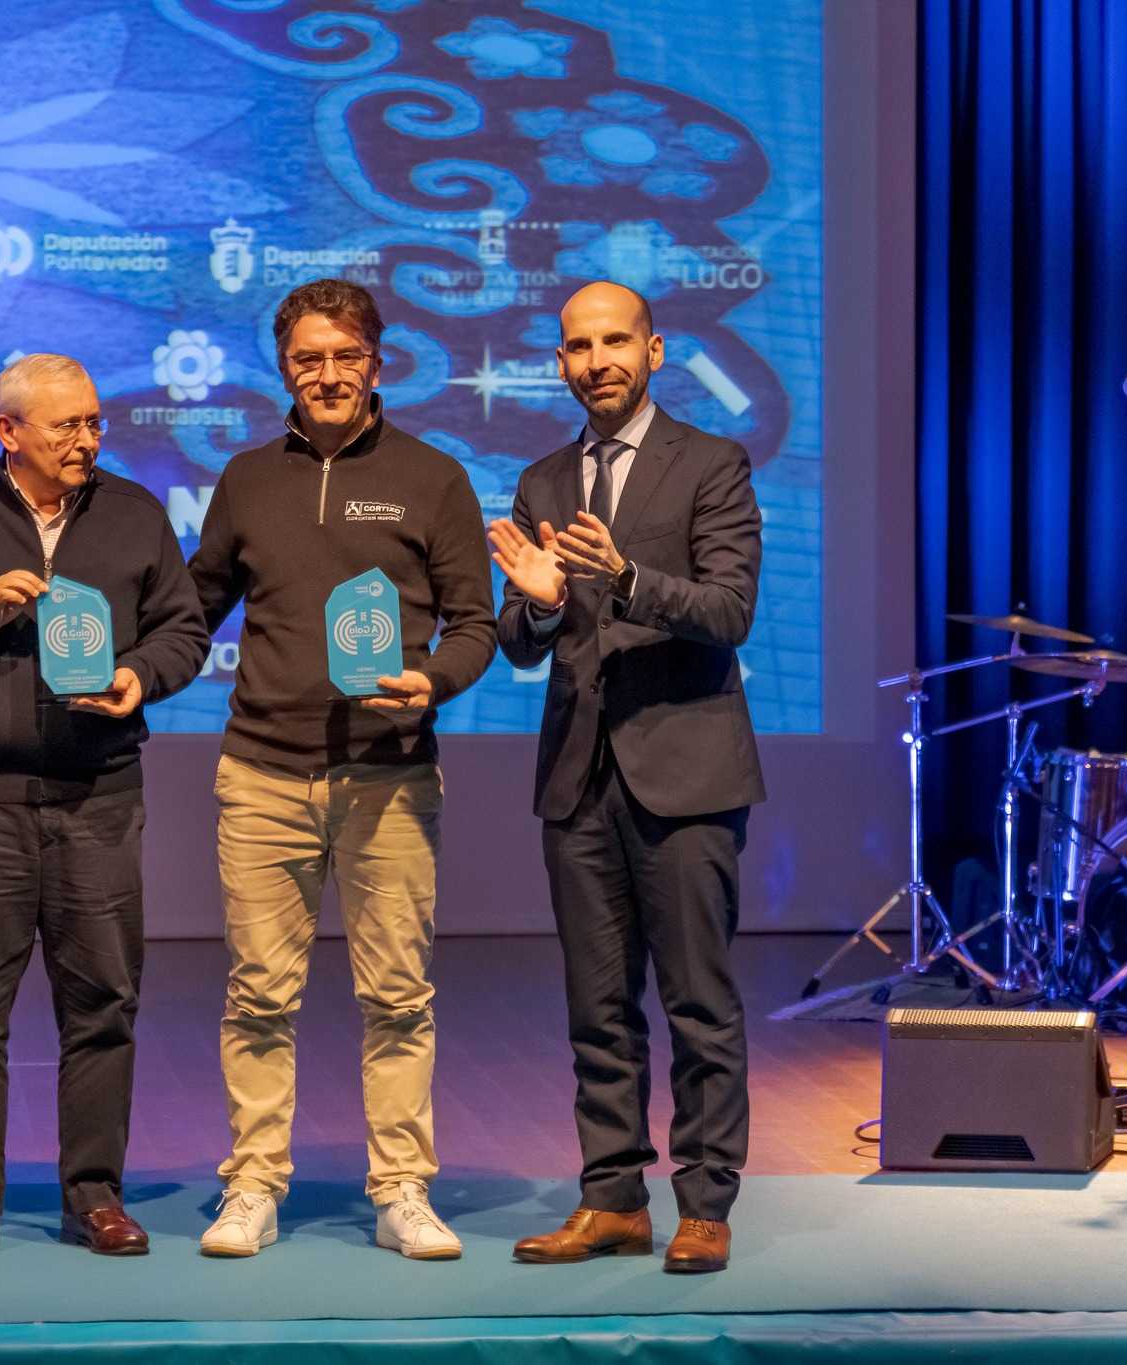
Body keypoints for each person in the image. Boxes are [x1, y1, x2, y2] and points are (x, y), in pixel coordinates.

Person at [0, 353, 208, 1262]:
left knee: (104, 1003)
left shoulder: (134, 512)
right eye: (68, 425)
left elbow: (184, 629)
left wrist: (140, 675)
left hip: (100, 793)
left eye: (95, 422)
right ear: (8, 430)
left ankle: (94, 1195)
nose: (89, 439)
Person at [189, 278, 497, 1261]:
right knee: (257, 996)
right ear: (284, 369)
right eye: (305, 360)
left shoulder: (432, 476)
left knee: (398, 997)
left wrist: (432, 681)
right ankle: (250, 1186)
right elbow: (191, 607)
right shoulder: (244, 479)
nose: (325, 375)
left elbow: (477, 622)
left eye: (343, 357)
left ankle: (402, 1188)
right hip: (261, 774)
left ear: (376, 361)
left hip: (388, 776)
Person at [490, 281, 765, 1274]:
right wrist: (531, 604)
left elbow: (730, 610)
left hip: (685, 772)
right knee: (594, 1008)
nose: (594, 359)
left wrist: (625, 578)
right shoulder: (539, 479)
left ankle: (702, 1204)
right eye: (576, 346)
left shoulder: (712, 464)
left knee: (697, 1003)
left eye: (614, 341)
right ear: (558, 362)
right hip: (576, 779)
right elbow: (527, 643)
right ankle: (610, 1199)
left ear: (654, 352)